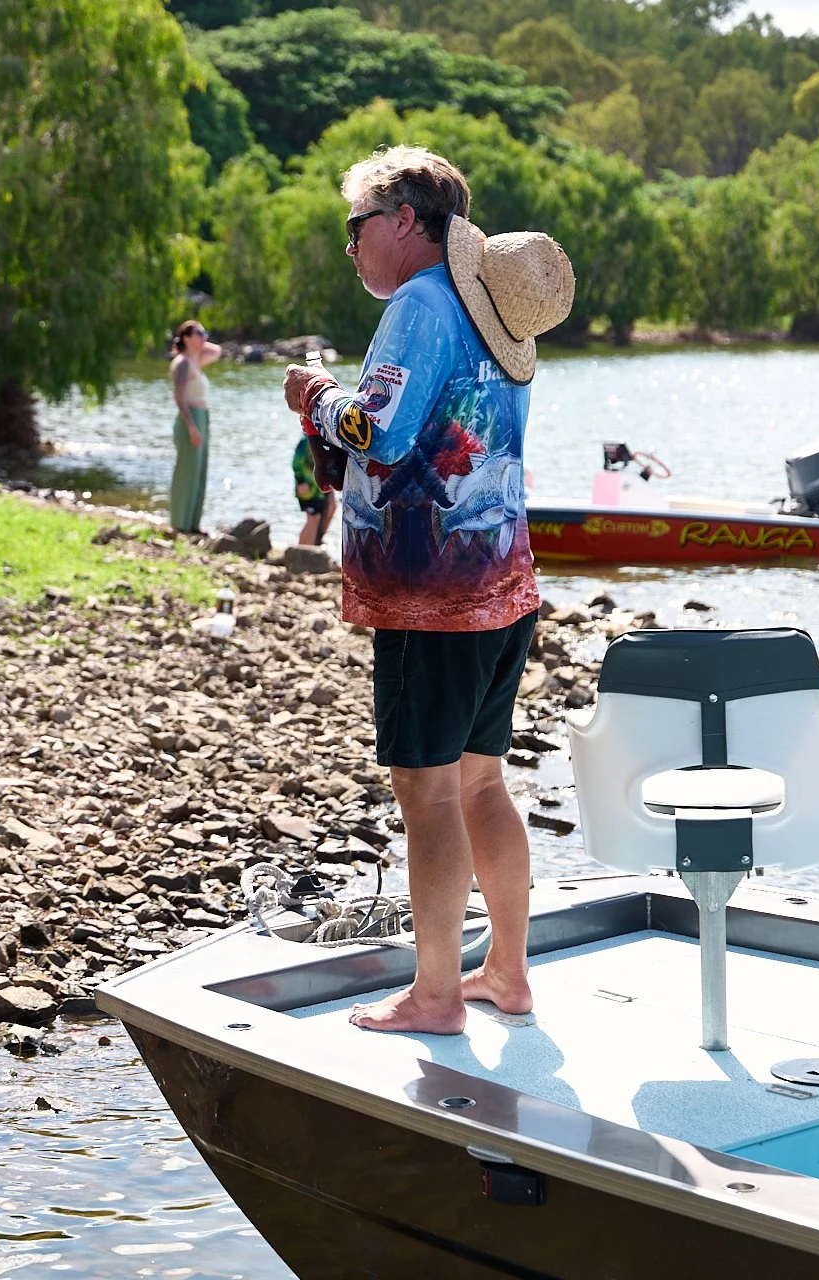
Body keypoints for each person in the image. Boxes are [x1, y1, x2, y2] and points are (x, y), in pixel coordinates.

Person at [280, 146, 574, 1036]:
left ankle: (437, 994)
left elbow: (384, 430)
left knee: (430, 794)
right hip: (501, 586)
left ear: (405, 220)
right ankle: (507, 975)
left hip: (430, 597)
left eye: (355, 225)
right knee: (484, 786)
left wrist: (319, 394)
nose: (351, 245)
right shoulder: (494, 319)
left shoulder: (418, 303)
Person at [167, 320, 222, 534]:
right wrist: (191, 426)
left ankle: (193, 524)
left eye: (204, 332)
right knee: (186, 471)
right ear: (187, 337)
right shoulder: (182, 363)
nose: (204, 336)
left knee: (199, 472)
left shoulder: (195, 360)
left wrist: (197, 342)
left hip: (202, 416)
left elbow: (217, 351)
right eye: (199, 333)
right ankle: (179, 524)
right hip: (190, 417)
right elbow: (178, 396)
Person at [291, 437, 337, 546]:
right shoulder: (305, 441)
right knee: (313, 518)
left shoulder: (329, 436)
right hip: (308, 489)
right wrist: (300, 480)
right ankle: (300, 551)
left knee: (330, 509)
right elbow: (296, 463)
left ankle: (316, 541)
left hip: (322, 487)